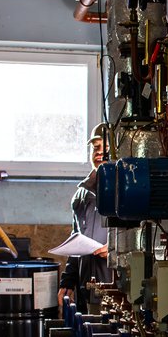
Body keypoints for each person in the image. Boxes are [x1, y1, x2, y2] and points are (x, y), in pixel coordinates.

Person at [58, 125, 110, 305]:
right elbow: (76, 243)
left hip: (116, 289)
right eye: (96, 147)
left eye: (106, 148)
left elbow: (146, 237)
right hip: (85, 289)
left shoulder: (128, 192)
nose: (99, 153)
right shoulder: (81, 195)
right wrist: (68, 281)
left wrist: (116, 251)